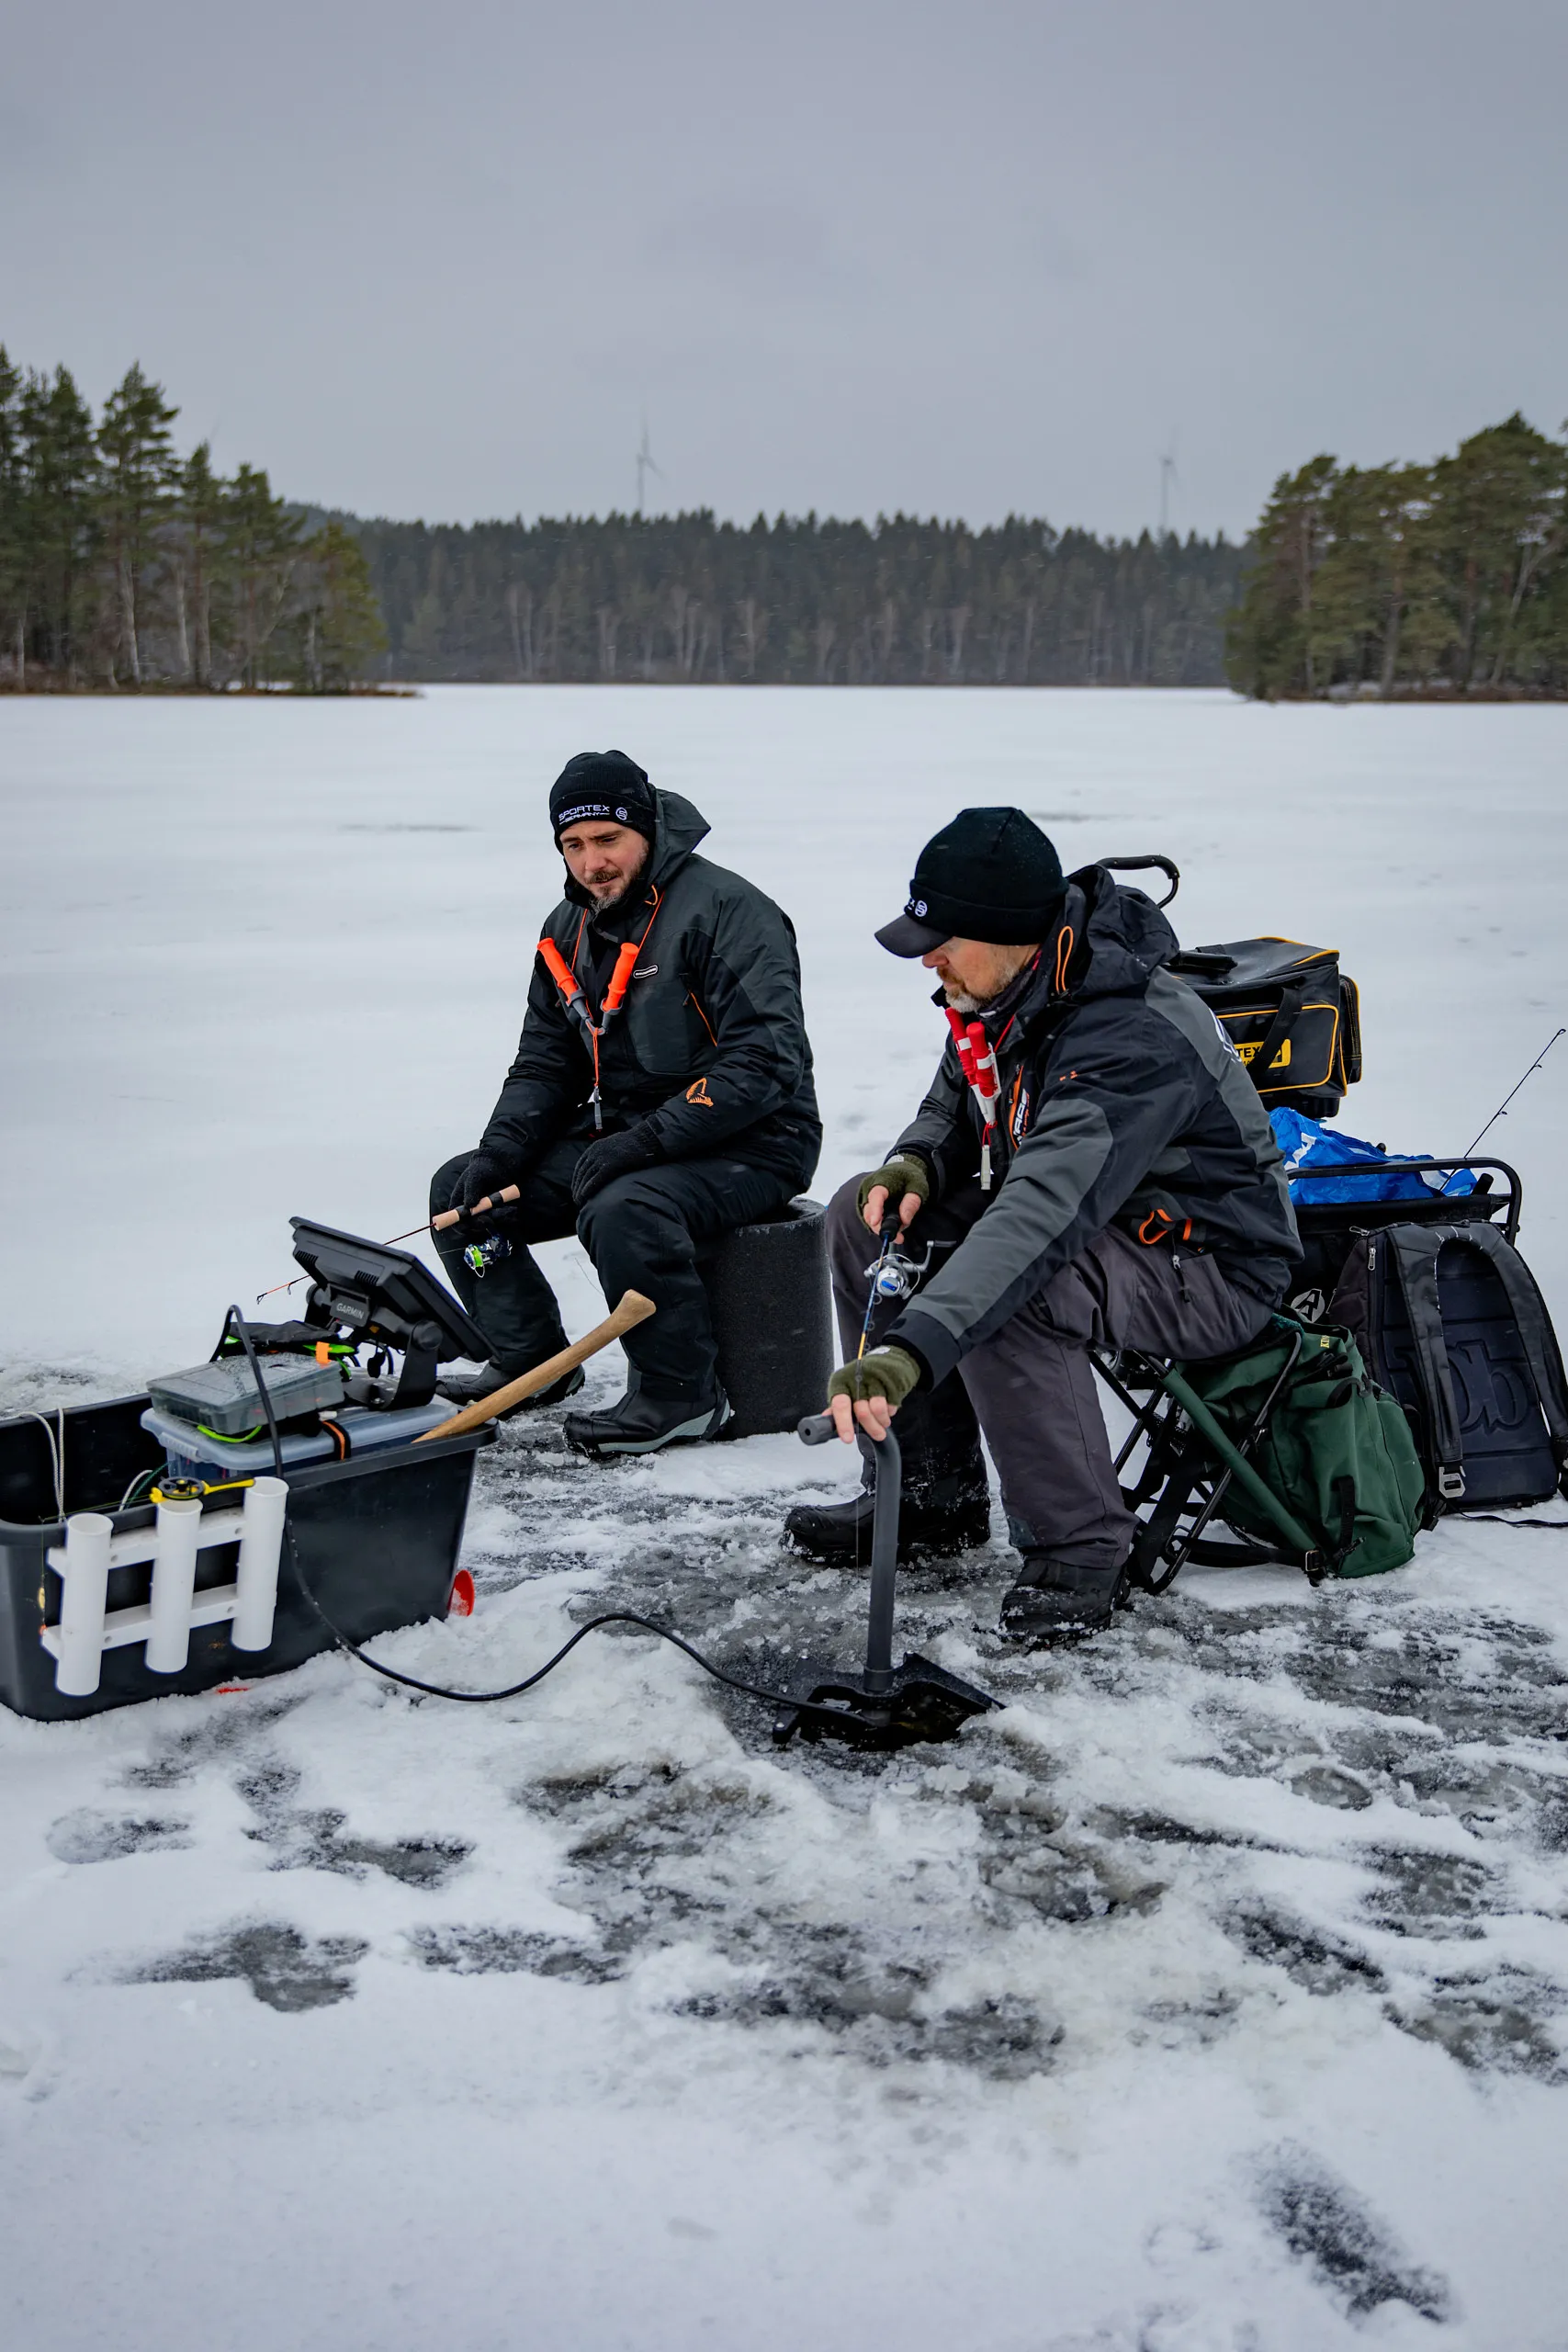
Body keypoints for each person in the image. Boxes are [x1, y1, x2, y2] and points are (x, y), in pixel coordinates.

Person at [784, 807, 1302, 1640]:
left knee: (1019, 1289)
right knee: (862, 1213)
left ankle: (1080, 1546)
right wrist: (916, 1162)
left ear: (1011, 933)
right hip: (1093, 1233)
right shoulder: (1012, 986)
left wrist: (909, 1350)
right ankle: (929, 1499)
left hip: (1209, 1268)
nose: (931, 960)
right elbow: (957, 1095)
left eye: (945, 940)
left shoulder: (1126, 1034)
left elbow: (1037, 1221)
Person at [432, 750, 820, 1455]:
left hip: (757, 1138)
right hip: (630, 1132)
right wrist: (501, 1152)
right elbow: (547, 1062)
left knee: (624, 1208)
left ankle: (680, 1397)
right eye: (573, 845)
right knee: (465, 1200)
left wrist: (645, 1142)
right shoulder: (566, 926)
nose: (591, 863)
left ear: (648, 832)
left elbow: (765, 1060)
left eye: (607, 840)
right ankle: (530, 1361)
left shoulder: (728, 910)